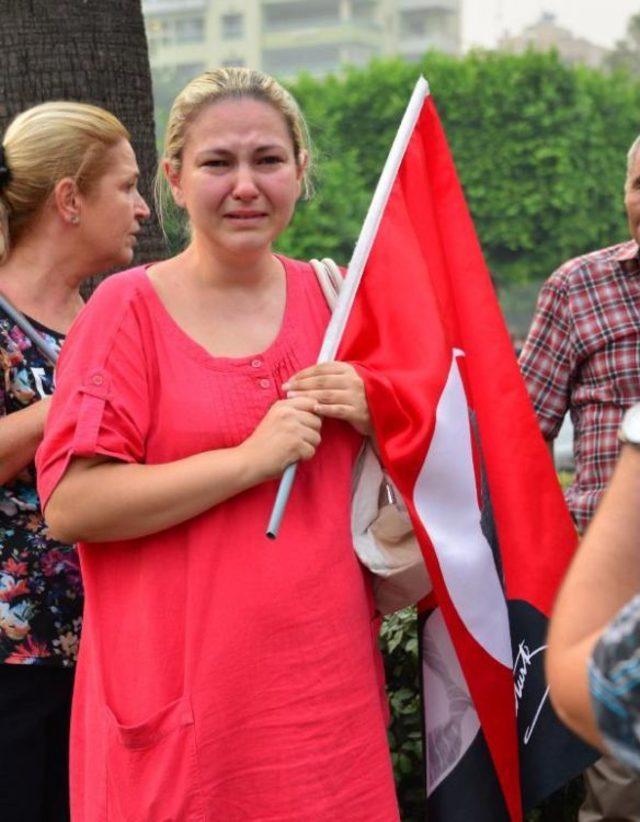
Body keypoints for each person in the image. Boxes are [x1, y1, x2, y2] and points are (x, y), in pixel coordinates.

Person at [36, 68, 400, 820]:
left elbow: (438, 483)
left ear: (302, 169)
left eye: (267, 160)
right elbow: (71, 503)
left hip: (326, 711)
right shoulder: (124, 311)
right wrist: (246, 461)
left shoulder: (339, 306)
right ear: (173, 177)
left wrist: (384, 413)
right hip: (180, 722)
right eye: (217, 163)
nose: (245, 185)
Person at [0, 101, 149, 821]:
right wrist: (72, 402)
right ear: (68, 199)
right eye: (125, 186)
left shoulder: (104, 316)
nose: (144, 208)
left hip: (109, 655)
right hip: (15, 666)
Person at [520, 134, 640, 820]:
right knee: (621, 794)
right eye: (639, 185)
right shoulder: (580, 287)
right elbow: (522, 439)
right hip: (614, 587)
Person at [546, 424, 640, 774]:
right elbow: (529, 424)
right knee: (615, 786)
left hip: (603, 576)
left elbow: (587, 689)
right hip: (604, 560)